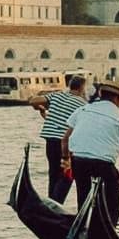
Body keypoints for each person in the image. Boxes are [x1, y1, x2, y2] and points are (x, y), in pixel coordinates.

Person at [66, 81, 119, 227]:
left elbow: (65, 139)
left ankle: (83, 225)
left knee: (83, 199)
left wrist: (66, 160)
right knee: (112, 205)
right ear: (117, 99)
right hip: (103, 165)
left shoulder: (83, 110)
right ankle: (109, 229)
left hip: (79, 162)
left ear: (101, 94)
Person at [35, 74, 87, 203]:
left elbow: (33, 101)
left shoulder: (57, 95)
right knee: (67, 175)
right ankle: (56, 203)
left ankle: (50, 203)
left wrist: (43, 110)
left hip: (50, 141)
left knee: (53, 174)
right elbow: (74, 128)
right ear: (81, 89)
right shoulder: (83, 105)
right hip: (66, 144)